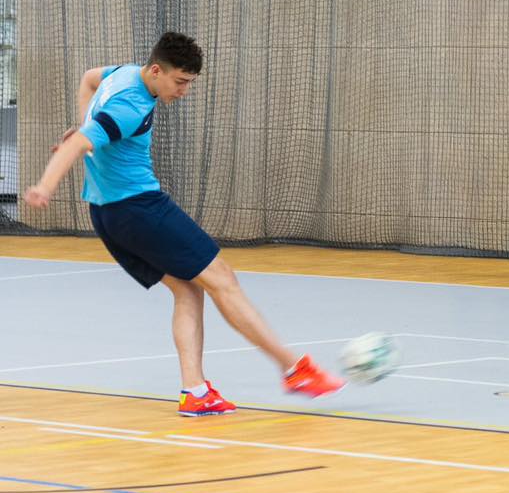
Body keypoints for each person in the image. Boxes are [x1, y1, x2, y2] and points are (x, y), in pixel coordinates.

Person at [23, 32, 345, 415]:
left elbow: (89, 78)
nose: (184, 91)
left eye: (189, 83)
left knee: (189, 290)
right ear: (156, 71)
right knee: (222, 278)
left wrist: (85, 122)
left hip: (108, 214)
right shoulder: (130, 105)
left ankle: (195, 392)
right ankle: (294, 370)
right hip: (139, 208)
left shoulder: (122, 74)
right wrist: (46, 185)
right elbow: (77, 145)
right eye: (179, 82)